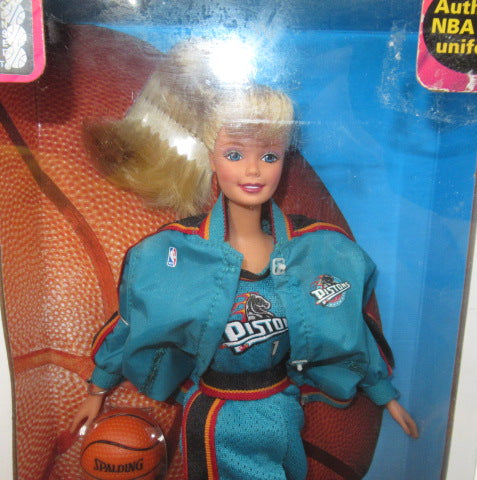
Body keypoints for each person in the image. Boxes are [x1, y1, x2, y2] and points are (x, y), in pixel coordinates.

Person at [72, 40, 418, 480]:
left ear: (283, 160)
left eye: (269, 156)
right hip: (218, 417)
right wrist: (97, 388)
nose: (253, 171)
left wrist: (385, 395)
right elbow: (130, 323)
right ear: (211, 157)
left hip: (282, 407)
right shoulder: (170, 254)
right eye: (235, 155)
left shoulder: (317, 251)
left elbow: (348, 326)